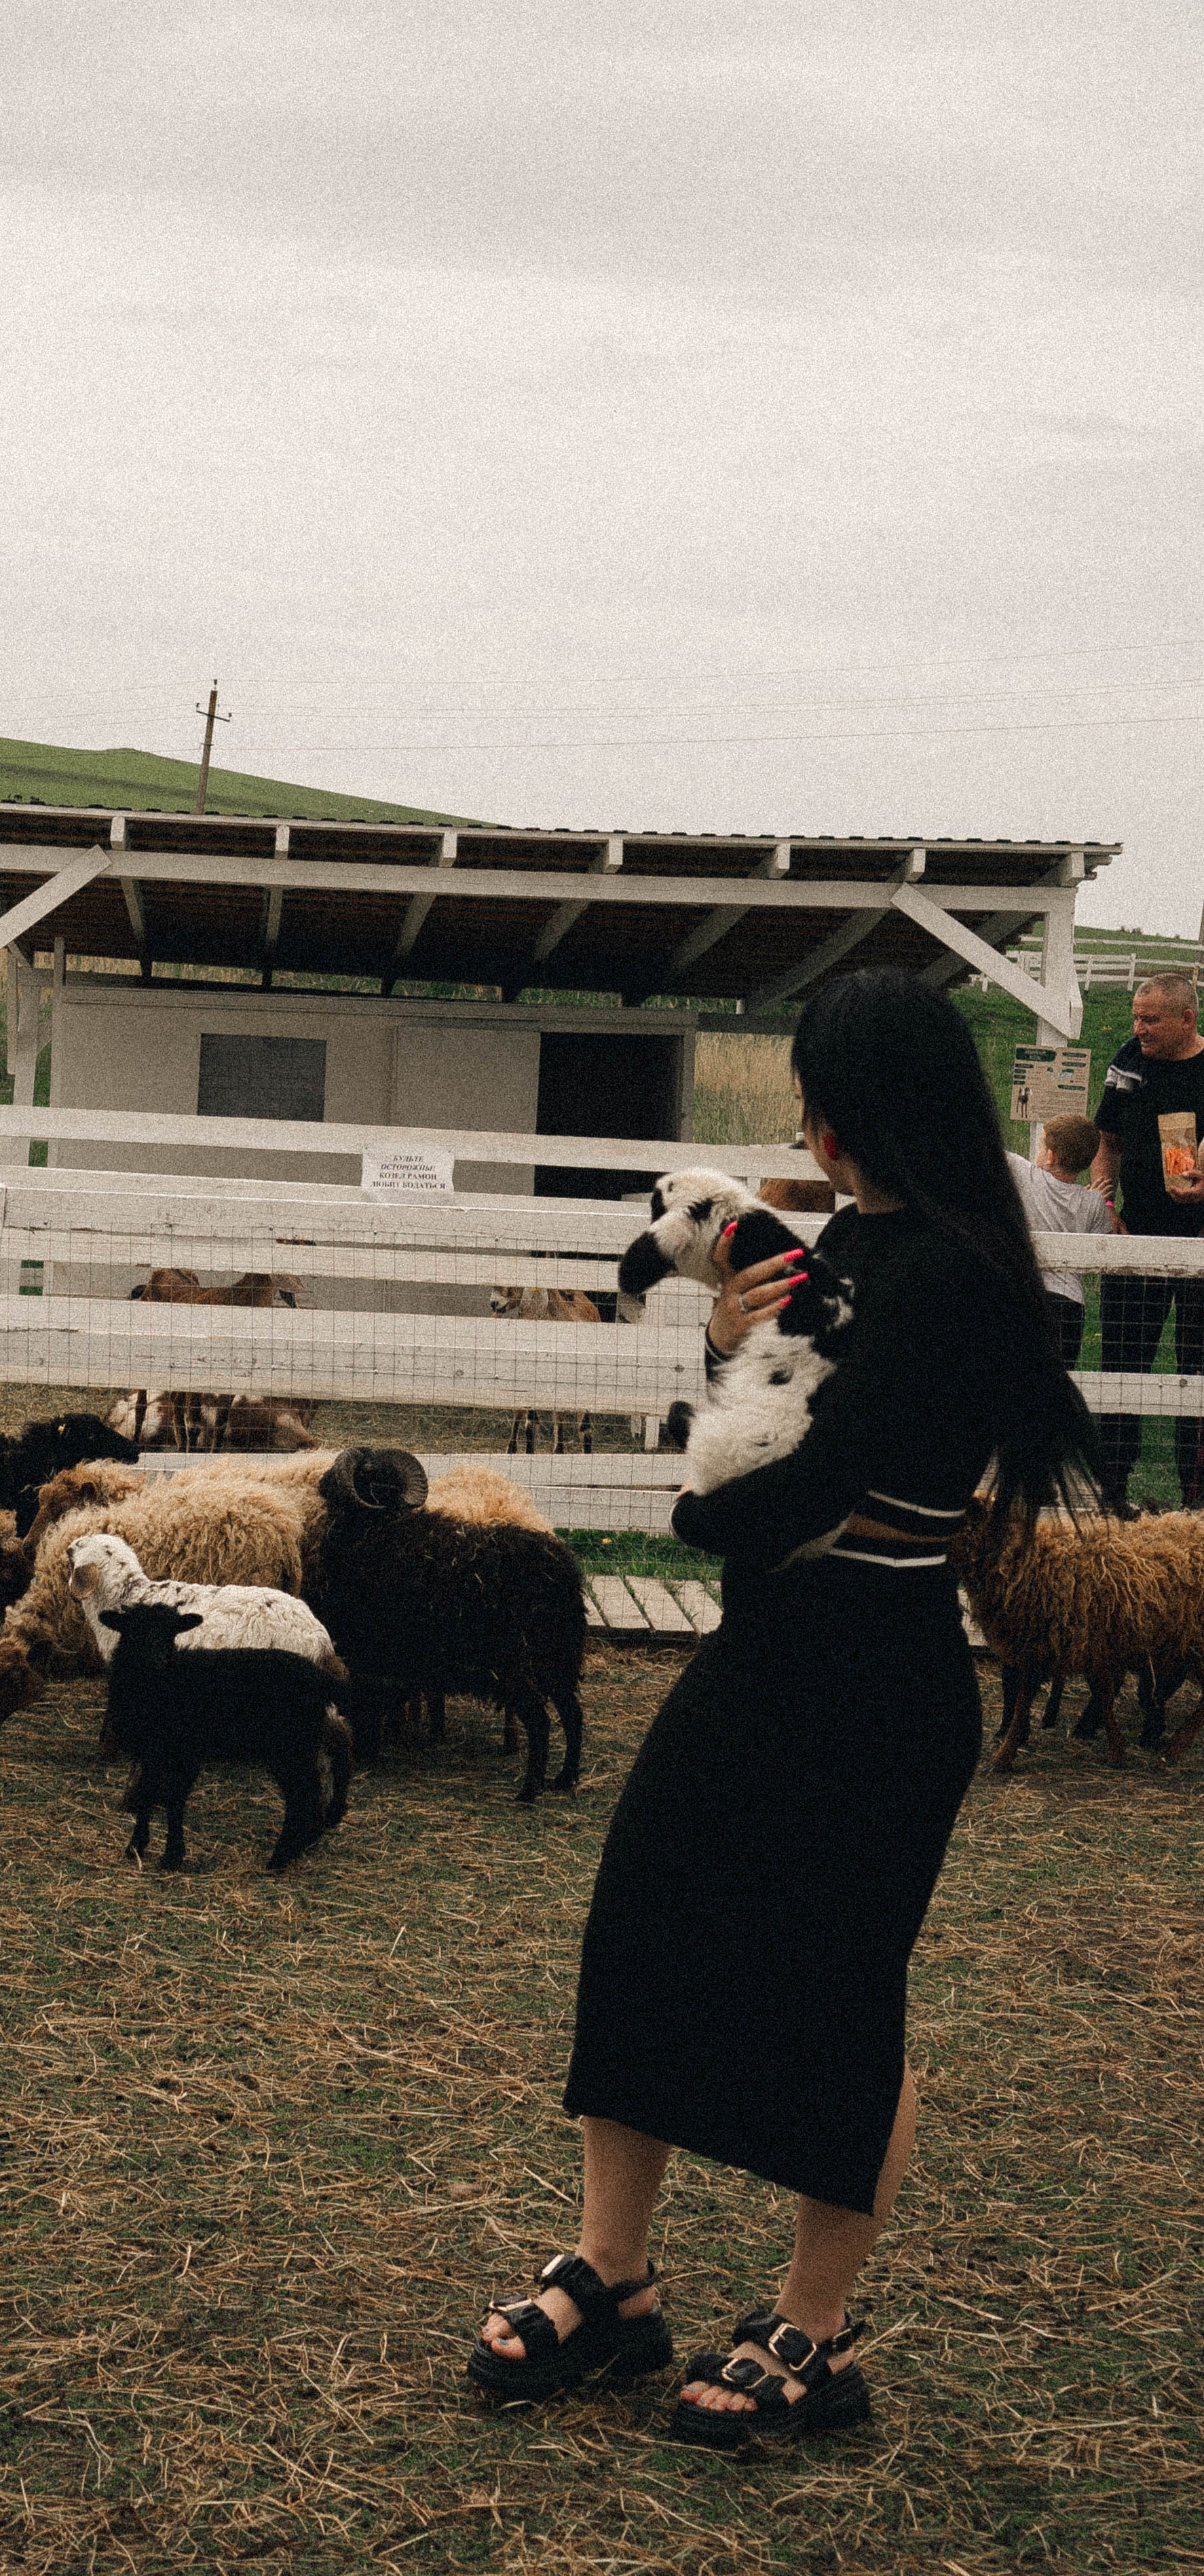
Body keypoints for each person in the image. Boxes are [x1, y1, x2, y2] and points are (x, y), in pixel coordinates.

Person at [468, 968, 1095, 2450]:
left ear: (859, 1106)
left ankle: (812, 2330)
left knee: (835, 1991)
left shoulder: (947, 1272)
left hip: (876, 1675)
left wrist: (694, 1525)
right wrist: (714, 1344)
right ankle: (612, 2281)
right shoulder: (852, 1242)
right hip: (767, 1655)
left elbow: (803, 1484)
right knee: (640, 1929)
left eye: (816, 1087)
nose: (801, 1118)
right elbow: (781, 1400)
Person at [1091, 972, 1204, 1509]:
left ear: (1188, 1019)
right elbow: (1106, 1144)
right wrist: (1105, 1203)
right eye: (1136, 1018)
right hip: (1136, 1235)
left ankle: (1195, 1504)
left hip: (1202, 1247)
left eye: (1151, 1019)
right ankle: (1111, 1495)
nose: (1139, 1029)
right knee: (1121, 1366)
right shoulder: (1128, 1061)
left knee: (1198, 1372)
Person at [1004, 1113, 1113, 1368]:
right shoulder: (1094, 1203)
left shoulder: (1026, 1176)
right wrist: (1089, 1199)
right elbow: (1097, 1249)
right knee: (1060, 1379)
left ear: (1051, 1156)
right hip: (1069, 1303)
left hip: (1027, 1292)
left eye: (1042, 1146)